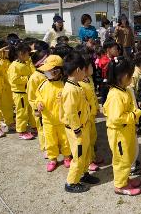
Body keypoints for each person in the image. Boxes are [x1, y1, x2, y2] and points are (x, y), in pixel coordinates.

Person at [103, 57, 141, 195]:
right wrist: (134, 115)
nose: (132, 78)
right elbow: (116, 117)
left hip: (126, 130)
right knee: (122, 159)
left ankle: (125, 179)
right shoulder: (115, 95)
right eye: (131, 75)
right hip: (119, 133)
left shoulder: (123, 90)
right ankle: (120, 185)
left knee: (128, 155)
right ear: (124, 76)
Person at [62, 52, 99, 193]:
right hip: (77, 130)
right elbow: (70, 112)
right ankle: (71, 182)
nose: (86, 73)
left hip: (83, 127)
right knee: (78, 155)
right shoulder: (70, 90)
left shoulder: (76, 85)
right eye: (84, 70)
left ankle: (83, 174)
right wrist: (77, 128)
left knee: (83, 154)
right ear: (78, 70)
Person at [36, 55, 72, 172]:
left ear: (58, 71)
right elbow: (38, 97)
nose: (47, 73)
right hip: (48, 121)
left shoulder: (65, 85)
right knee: (50, 141)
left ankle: (67, 157)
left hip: (63, 121)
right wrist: (39, 103)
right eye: (46, 71)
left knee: (65, 140)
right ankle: (53, 159)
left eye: (50, 70)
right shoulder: (43, 85)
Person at [8, 42, 36, 140]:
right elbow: (14, 80)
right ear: (21, 53)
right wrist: (28, 78)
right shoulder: (14, 65)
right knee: (21, 112)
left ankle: (33, 126)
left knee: (30, 111)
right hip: (19, 94)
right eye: (28, 53)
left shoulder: (25, 63)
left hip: (26, 92)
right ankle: (21, 131)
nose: (29, 55)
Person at [78, 55, 101, 172]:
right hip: (85, 117)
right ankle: (89, 161)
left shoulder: (89, 79)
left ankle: (92, 157)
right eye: (91, 66)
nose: (93, 68)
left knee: (93, 137)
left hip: (91, 115)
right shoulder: (80, 84)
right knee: (87, 140)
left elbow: (93, 97)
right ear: (85, 69)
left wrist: (96, 108)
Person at [27, 48, 50, 155]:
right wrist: (36, 109)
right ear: (41, 63)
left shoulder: (48, 73)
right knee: (42, 129)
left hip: (50, 108)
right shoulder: (34, 78)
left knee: (50, 129)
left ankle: (52, 145)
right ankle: (45, 147)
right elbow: (31, 97)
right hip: (40, 110)